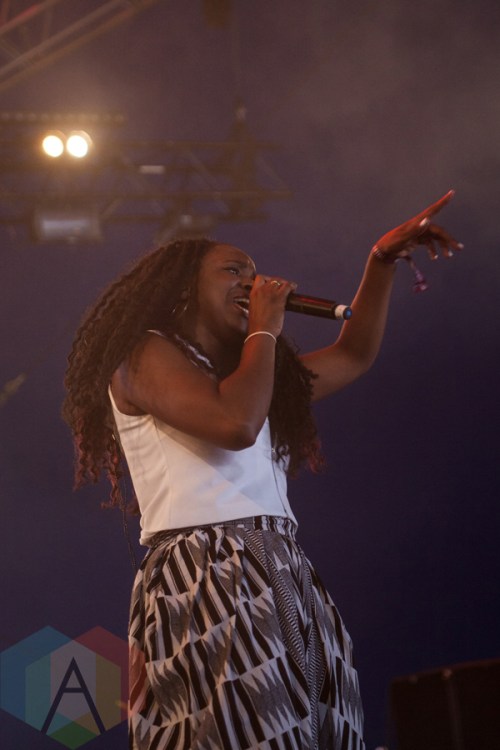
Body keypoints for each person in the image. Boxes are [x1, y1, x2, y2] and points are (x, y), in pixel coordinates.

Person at [63, 190, 461, 750]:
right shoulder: (143, 354)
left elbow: (352, 355)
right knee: (241, 730)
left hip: (282, 564)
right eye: (233, 271)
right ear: (184, 290)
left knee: (313, 728)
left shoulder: (249, 375)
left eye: (254, 274)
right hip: (206, 567)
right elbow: (236, 425)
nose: (253, 284)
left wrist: (380, 261)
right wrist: (264, 332)